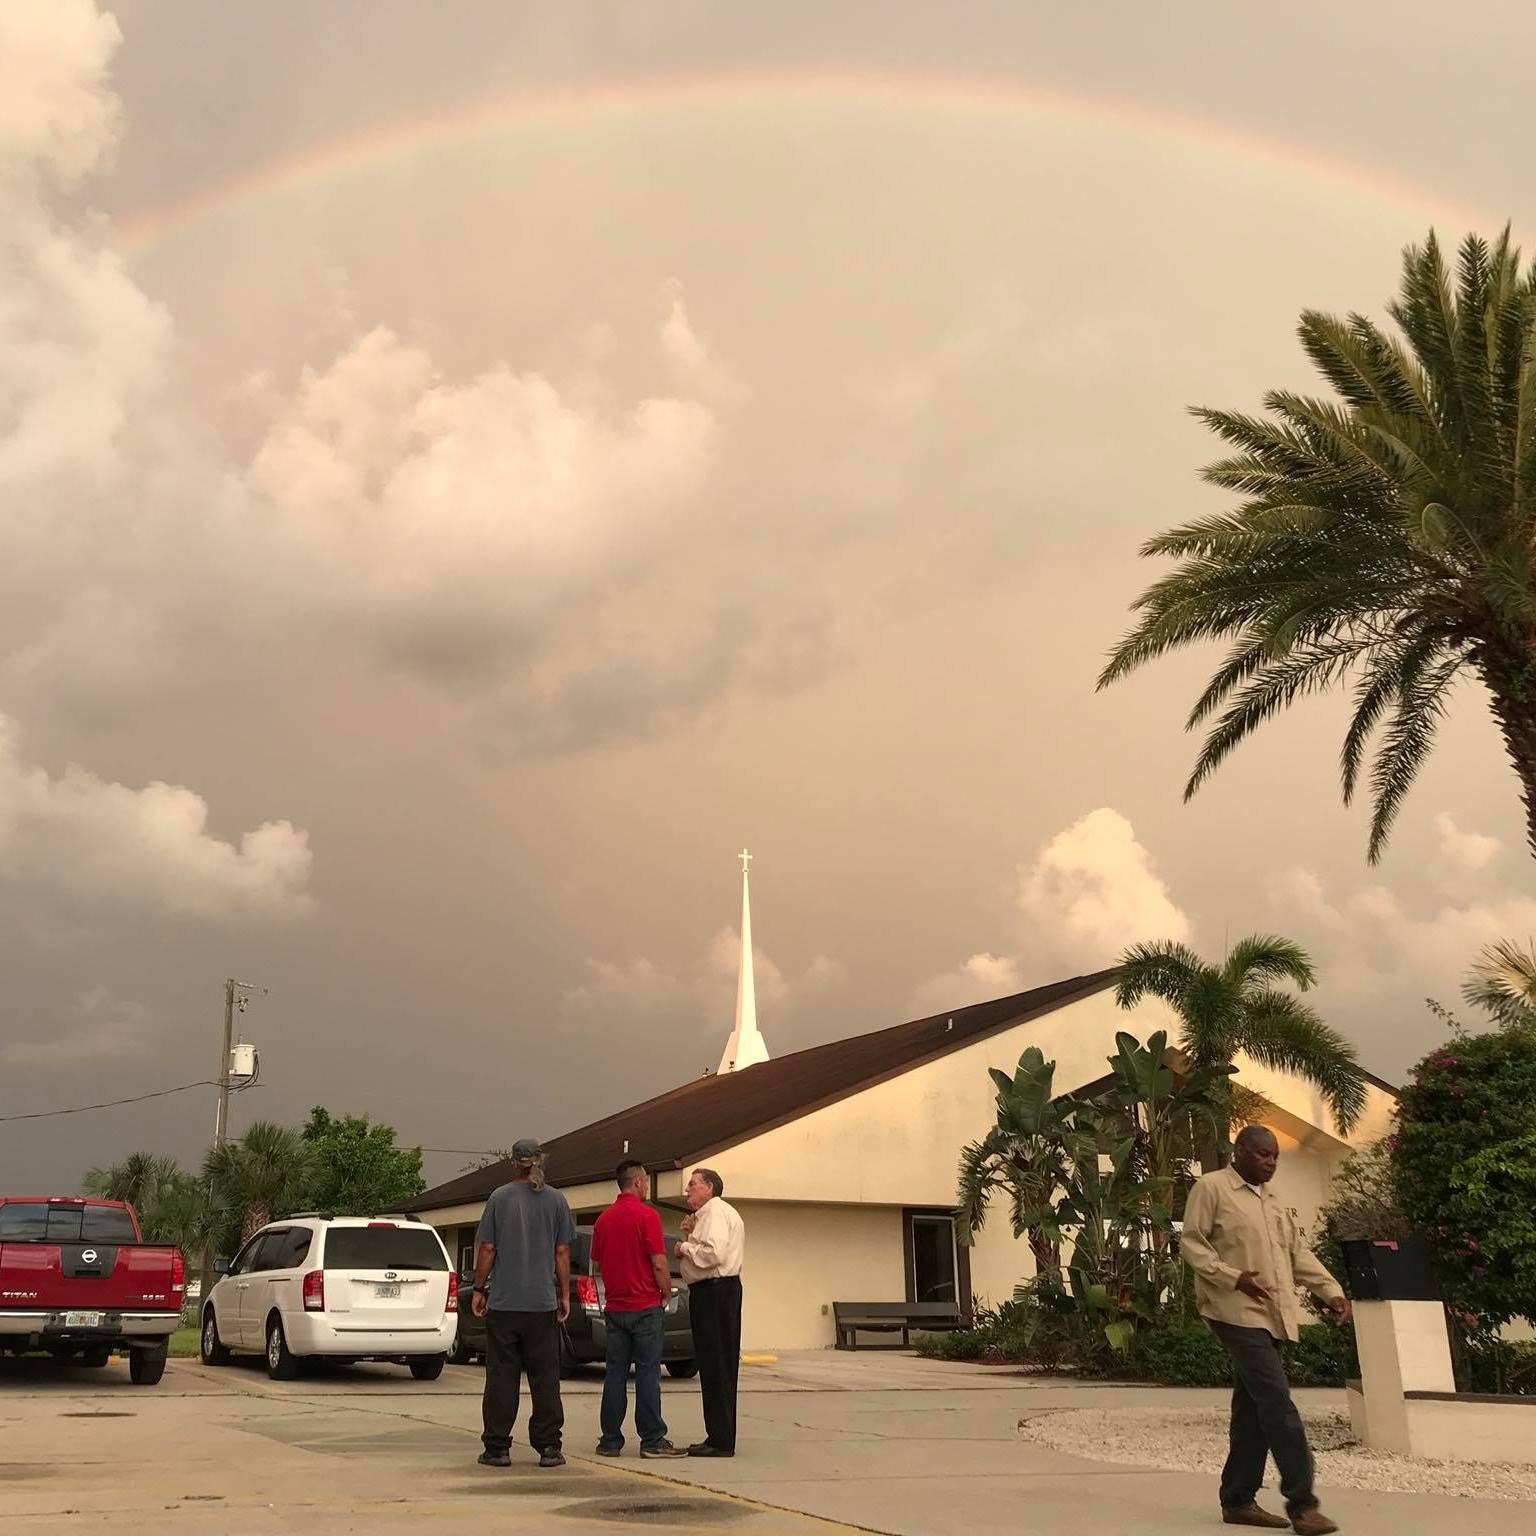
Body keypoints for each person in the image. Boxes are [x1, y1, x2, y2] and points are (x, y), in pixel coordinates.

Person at [1181, 1124, 1352, 1535]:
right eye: (1262, 1155)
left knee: (1253, 1410)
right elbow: (1192, 1243)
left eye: (1274, 1156)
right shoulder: (1212, 1188)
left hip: (1271, 1316)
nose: (1271, 1163)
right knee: (1277, 1402)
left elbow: (1297, 1253)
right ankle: (1303, 1505)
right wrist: (1234, 1277)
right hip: (1232, 1310)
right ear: (1238, 1151)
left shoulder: (1272, 1200)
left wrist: (1332, 1293)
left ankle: (1238, 1499)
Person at [470, 1137, 575, 1470]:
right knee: (545, 1377)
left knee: (502, 1376)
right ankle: (548, 1448)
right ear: (540, 1161)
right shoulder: (556, 1200)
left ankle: (498, 1447)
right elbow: (561, 1252)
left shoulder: (499, 1198)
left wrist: (478, 1288)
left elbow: (487, 1248)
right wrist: (563, 1293)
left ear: (513, 1162)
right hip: (541, 1304)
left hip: (504, 1304)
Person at [588, 1159, 689, 1458]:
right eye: (645, 1181)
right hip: (645, 1305)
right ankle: (652, 1439)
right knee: (647, 1373)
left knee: (615, 1374)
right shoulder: (647, 1216)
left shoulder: (603, 1220)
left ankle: (610, 1440)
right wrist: (663, 1292)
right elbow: (658, 1261)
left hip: (616, 1306)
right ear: (639, 1182)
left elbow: (597, 1261)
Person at [675, 1166, 745, 1458]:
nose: (687, 1190)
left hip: (715, 1292)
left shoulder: (715, 1212)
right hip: (717, 1292)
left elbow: (713, 1254)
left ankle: (720, 1439)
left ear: (709, 1188)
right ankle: (718, 1433)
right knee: (716, 1364)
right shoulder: (710, 1215)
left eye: (692, 1184)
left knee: (716, 1364)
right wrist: (692, 1235)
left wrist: (683, 1248)